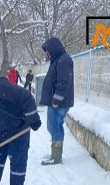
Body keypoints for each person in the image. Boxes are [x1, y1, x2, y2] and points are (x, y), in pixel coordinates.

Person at [40, 37, 74, 166]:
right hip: (58, 102)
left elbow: (64, 83)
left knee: (54, 128)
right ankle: (56, 155)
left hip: (58, 103)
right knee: (56, 127)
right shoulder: (58, 60)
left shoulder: (63, 61)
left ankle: (56, 157)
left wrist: (56, 100)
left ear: (53, 49)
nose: (46, 54)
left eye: (47, 51)